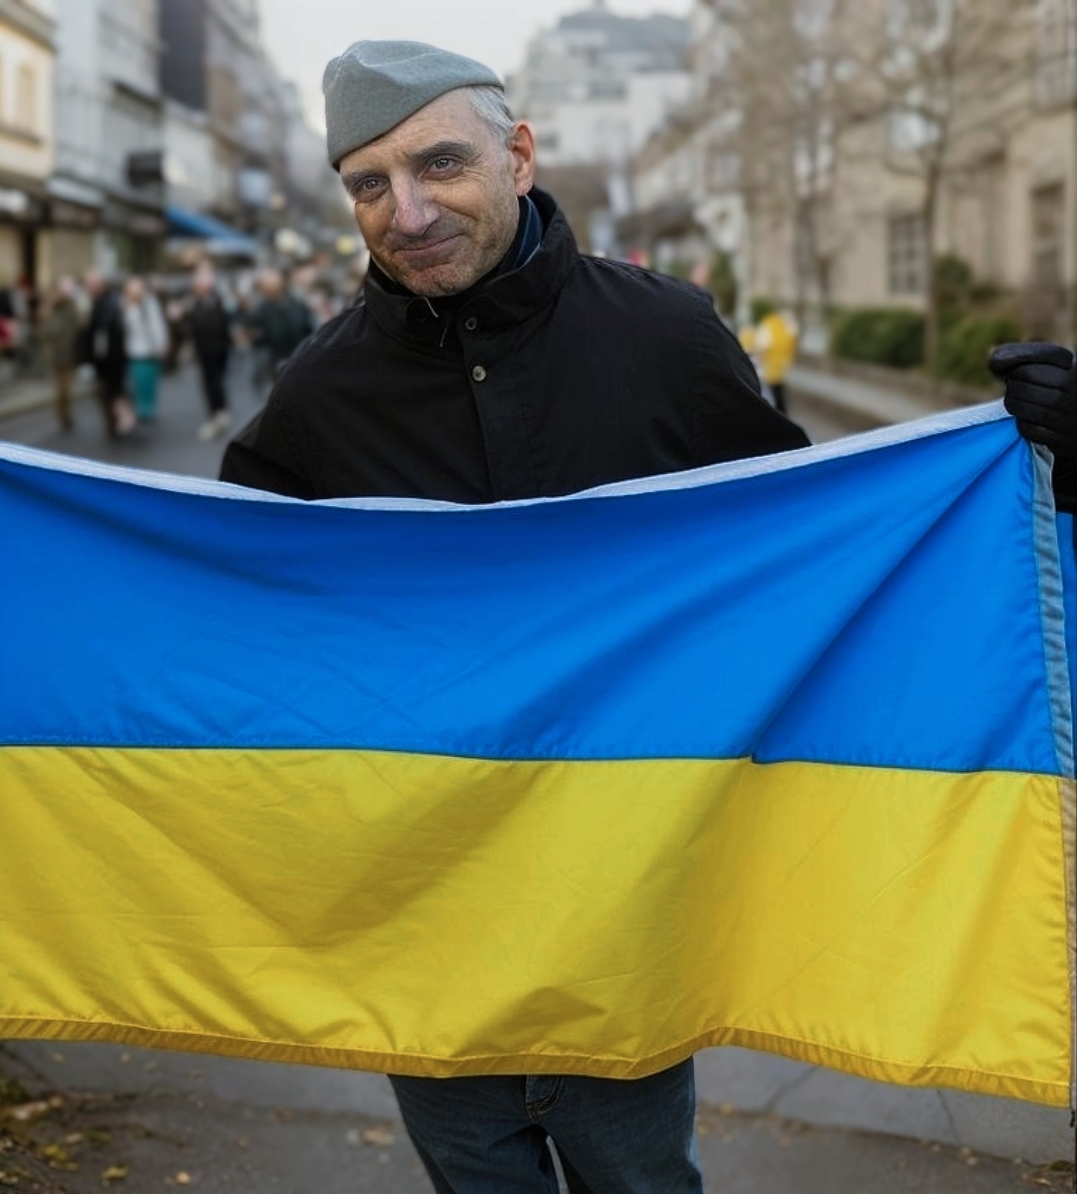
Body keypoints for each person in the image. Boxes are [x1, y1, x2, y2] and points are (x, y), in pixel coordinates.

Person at [219, 41, 1077, 1194]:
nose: (405, 212)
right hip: (428, 922)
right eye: (369, 183)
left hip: (625, 913)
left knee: (641, 1182)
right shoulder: (320, 394)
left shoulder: (667, 338)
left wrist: (1038, 471)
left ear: (520, 156)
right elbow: (227, 616)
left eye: (439, 165)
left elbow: (819, 557)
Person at [83, 270, 135, 438]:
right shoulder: (100, 302)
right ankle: (117, 422)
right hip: (105, 358)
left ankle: (120, 421)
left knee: (112, 392)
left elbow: (103, 331)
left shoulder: (108, 303)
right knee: (110, 392)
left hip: (110, 358)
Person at [246, 268, 315, 391]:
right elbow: (256, 335)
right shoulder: (261, 309)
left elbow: (307, 327)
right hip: (276, 358)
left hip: (300, 355)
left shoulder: (297, 303)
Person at [186, 265, 233, 442]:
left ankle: (219, 414)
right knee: (210, 382)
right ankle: (217, 413)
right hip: (205, 349)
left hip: (217, 348)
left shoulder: (218, 300)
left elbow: (223, 323)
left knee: (215, 382)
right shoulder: (195, 302)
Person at [121, 276, 169, 424]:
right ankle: (141, 409)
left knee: (150, 381)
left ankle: (148, 408)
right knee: (138, 381)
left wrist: (162, 343)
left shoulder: (150, 303)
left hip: (152, 350)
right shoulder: (125, 306)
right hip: (136, 351)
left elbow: (158, 325)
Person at [43, 276, 83, 431]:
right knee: (59, 390)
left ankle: (66, 415)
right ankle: (61, 416)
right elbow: (44, 332)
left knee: (66, 390)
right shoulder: (50, 310)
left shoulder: (72, 308)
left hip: (70, 355)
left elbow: (79, 328)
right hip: (55, 356)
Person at [754, 307, 798, 414]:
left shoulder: (768, 325)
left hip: (769, 368)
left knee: (769, 395)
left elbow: (761, 347)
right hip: (781, 367)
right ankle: (781, 414)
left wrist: (758, 363)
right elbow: (793, 342)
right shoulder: (786, 325)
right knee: (778, 395)